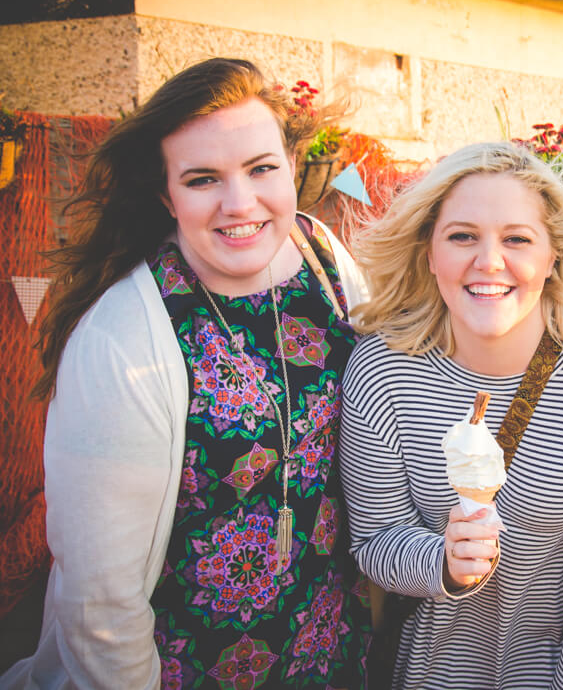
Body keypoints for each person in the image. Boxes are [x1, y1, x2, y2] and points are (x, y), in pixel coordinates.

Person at [0, 58, 371, 689]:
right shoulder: (122, 336)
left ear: (290, 164)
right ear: (165, 194)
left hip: (323, 651)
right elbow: (100, 603)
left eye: (261, 168)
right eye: (203, 179)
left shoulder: (324, 258)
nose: (240, 203)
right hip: (179, 667)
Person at [338, 142, 563, 689]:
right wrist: (441, 561)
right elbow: (376, 542)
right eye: (462, 236)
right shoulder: (382, 371)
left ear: (552, 255)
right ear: (429, 252)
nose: (489, 261)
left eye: (517, 239)